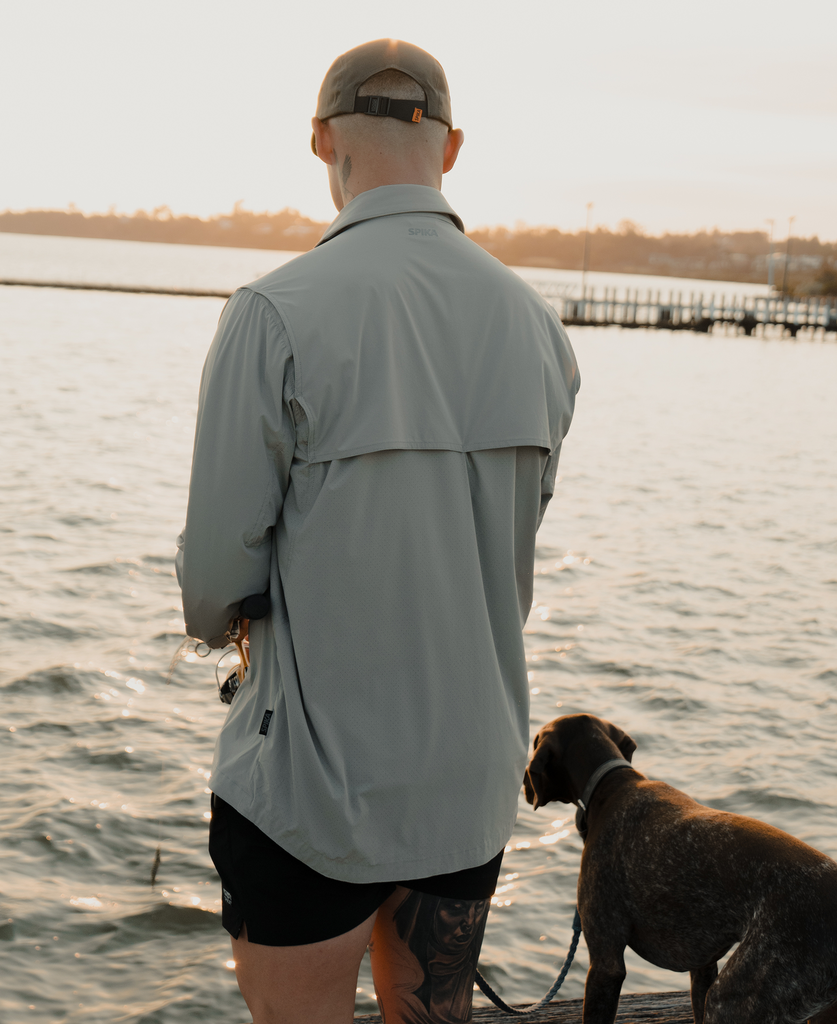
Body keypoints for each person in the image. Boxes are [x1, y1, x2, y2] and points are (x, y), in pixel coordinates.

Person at [175, 38, 579, 1024]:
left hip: (309, 787)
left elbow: (211, 583)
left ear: (319, 139)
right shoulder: (537, 328)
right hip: (467, 776)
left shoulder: (275, 312)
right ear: (452, 146)